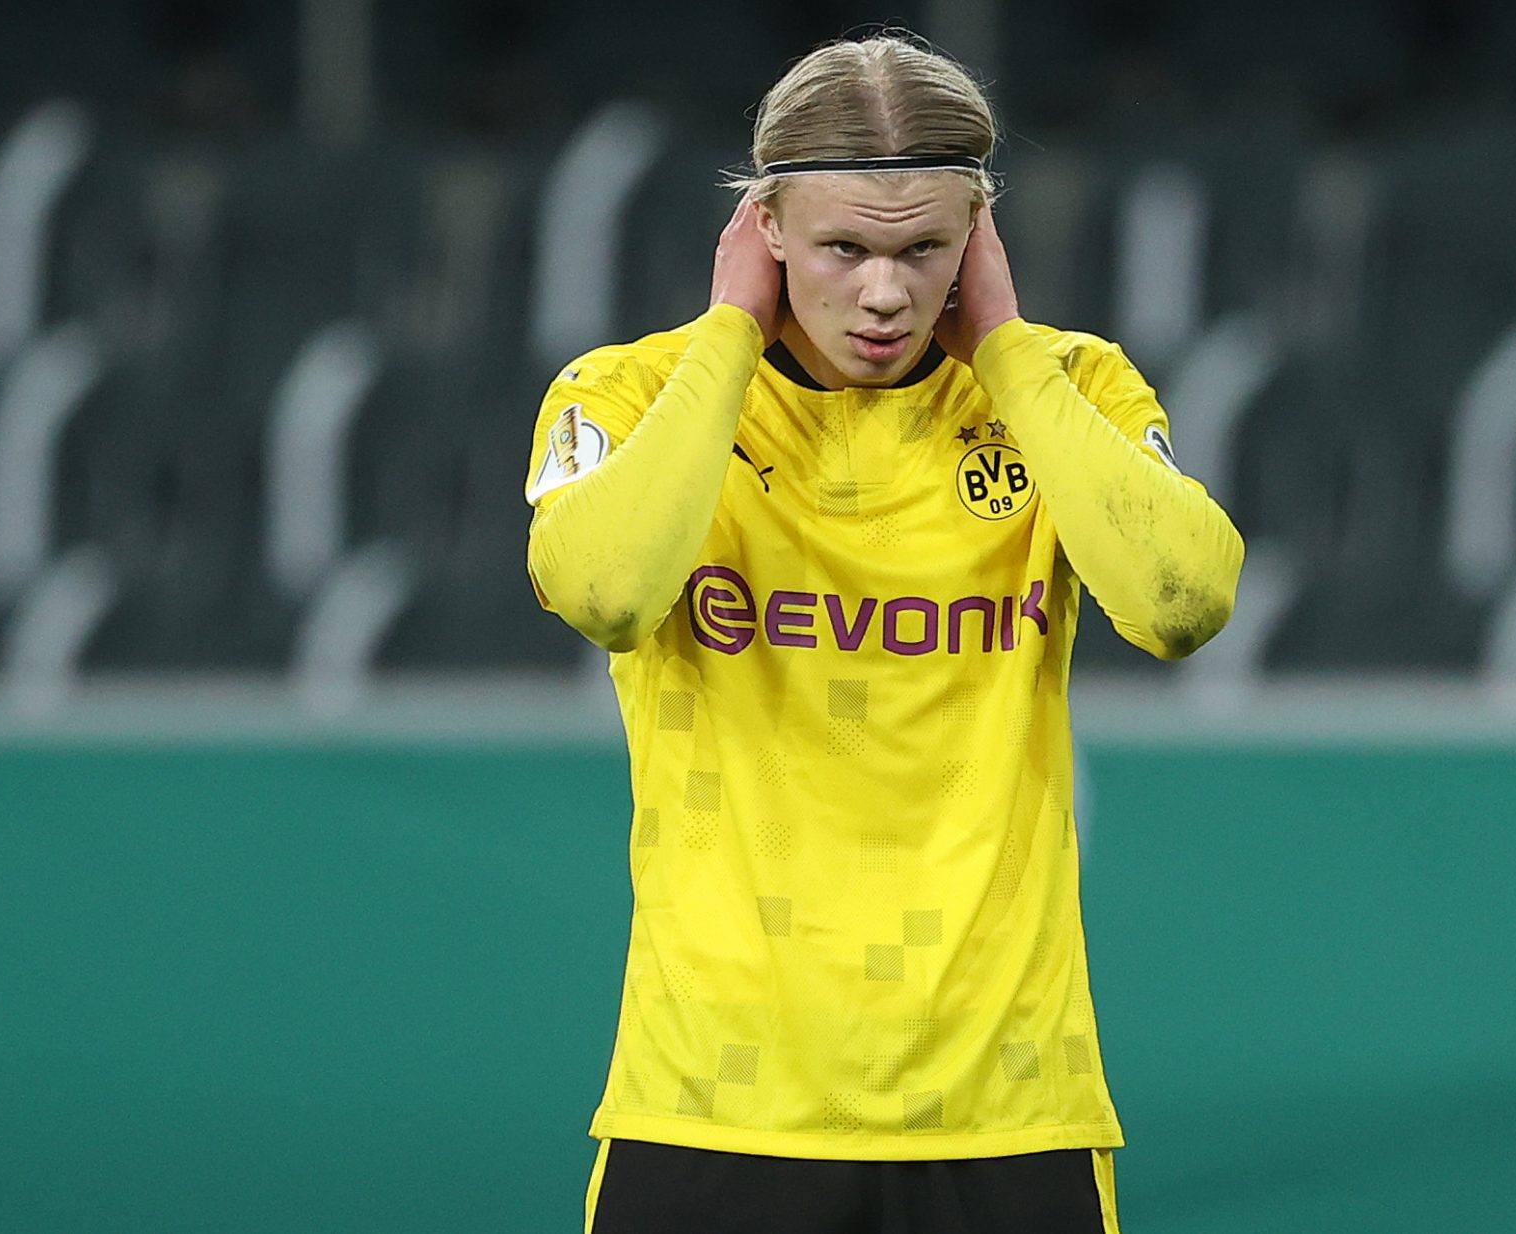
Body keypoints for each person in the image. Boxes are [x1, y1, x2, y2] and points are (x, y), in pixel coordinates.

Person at [523, 32, 1244, 1234]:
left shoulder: (1067, 389)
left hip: (1005, 1106)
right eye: (842, 248)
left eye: (922, 250)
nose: (883, 293)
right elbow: (602, 591)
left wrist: (1005, 348)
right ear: (764, 228)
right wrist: (726, 335)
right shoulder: (633, 394)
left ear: (977, 238)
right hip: (714, 1103)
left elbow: (1180, 604)